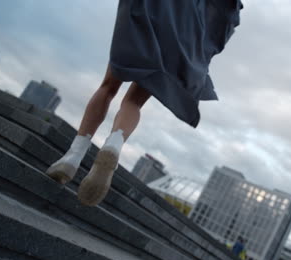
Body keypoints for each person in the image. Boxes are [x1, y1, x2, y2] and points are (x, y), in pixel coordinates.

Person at [46, 0, 244, 206]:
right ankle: (114, 144)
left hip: (148, 15)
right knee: (133, 102)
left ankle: (73, 156)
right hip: (177, 38)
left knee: (108, 87)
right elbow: (224, 21)